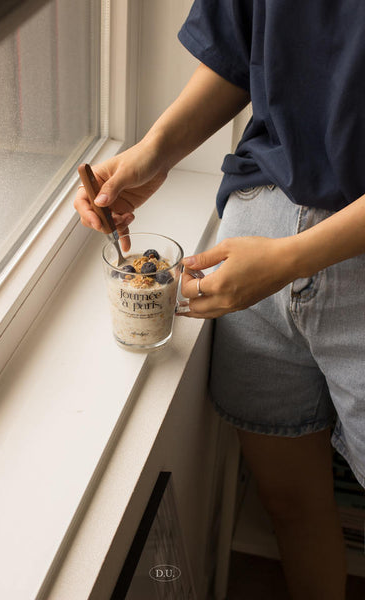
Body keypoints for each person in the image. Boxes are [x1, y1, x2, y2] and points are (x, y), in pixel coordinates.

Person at [74, 1, 365, 597]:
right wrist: (152, 152)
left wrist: (290, 259)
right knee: (287, 502)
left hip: (321, 264)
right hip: (254, 236)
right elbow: (239, 51)